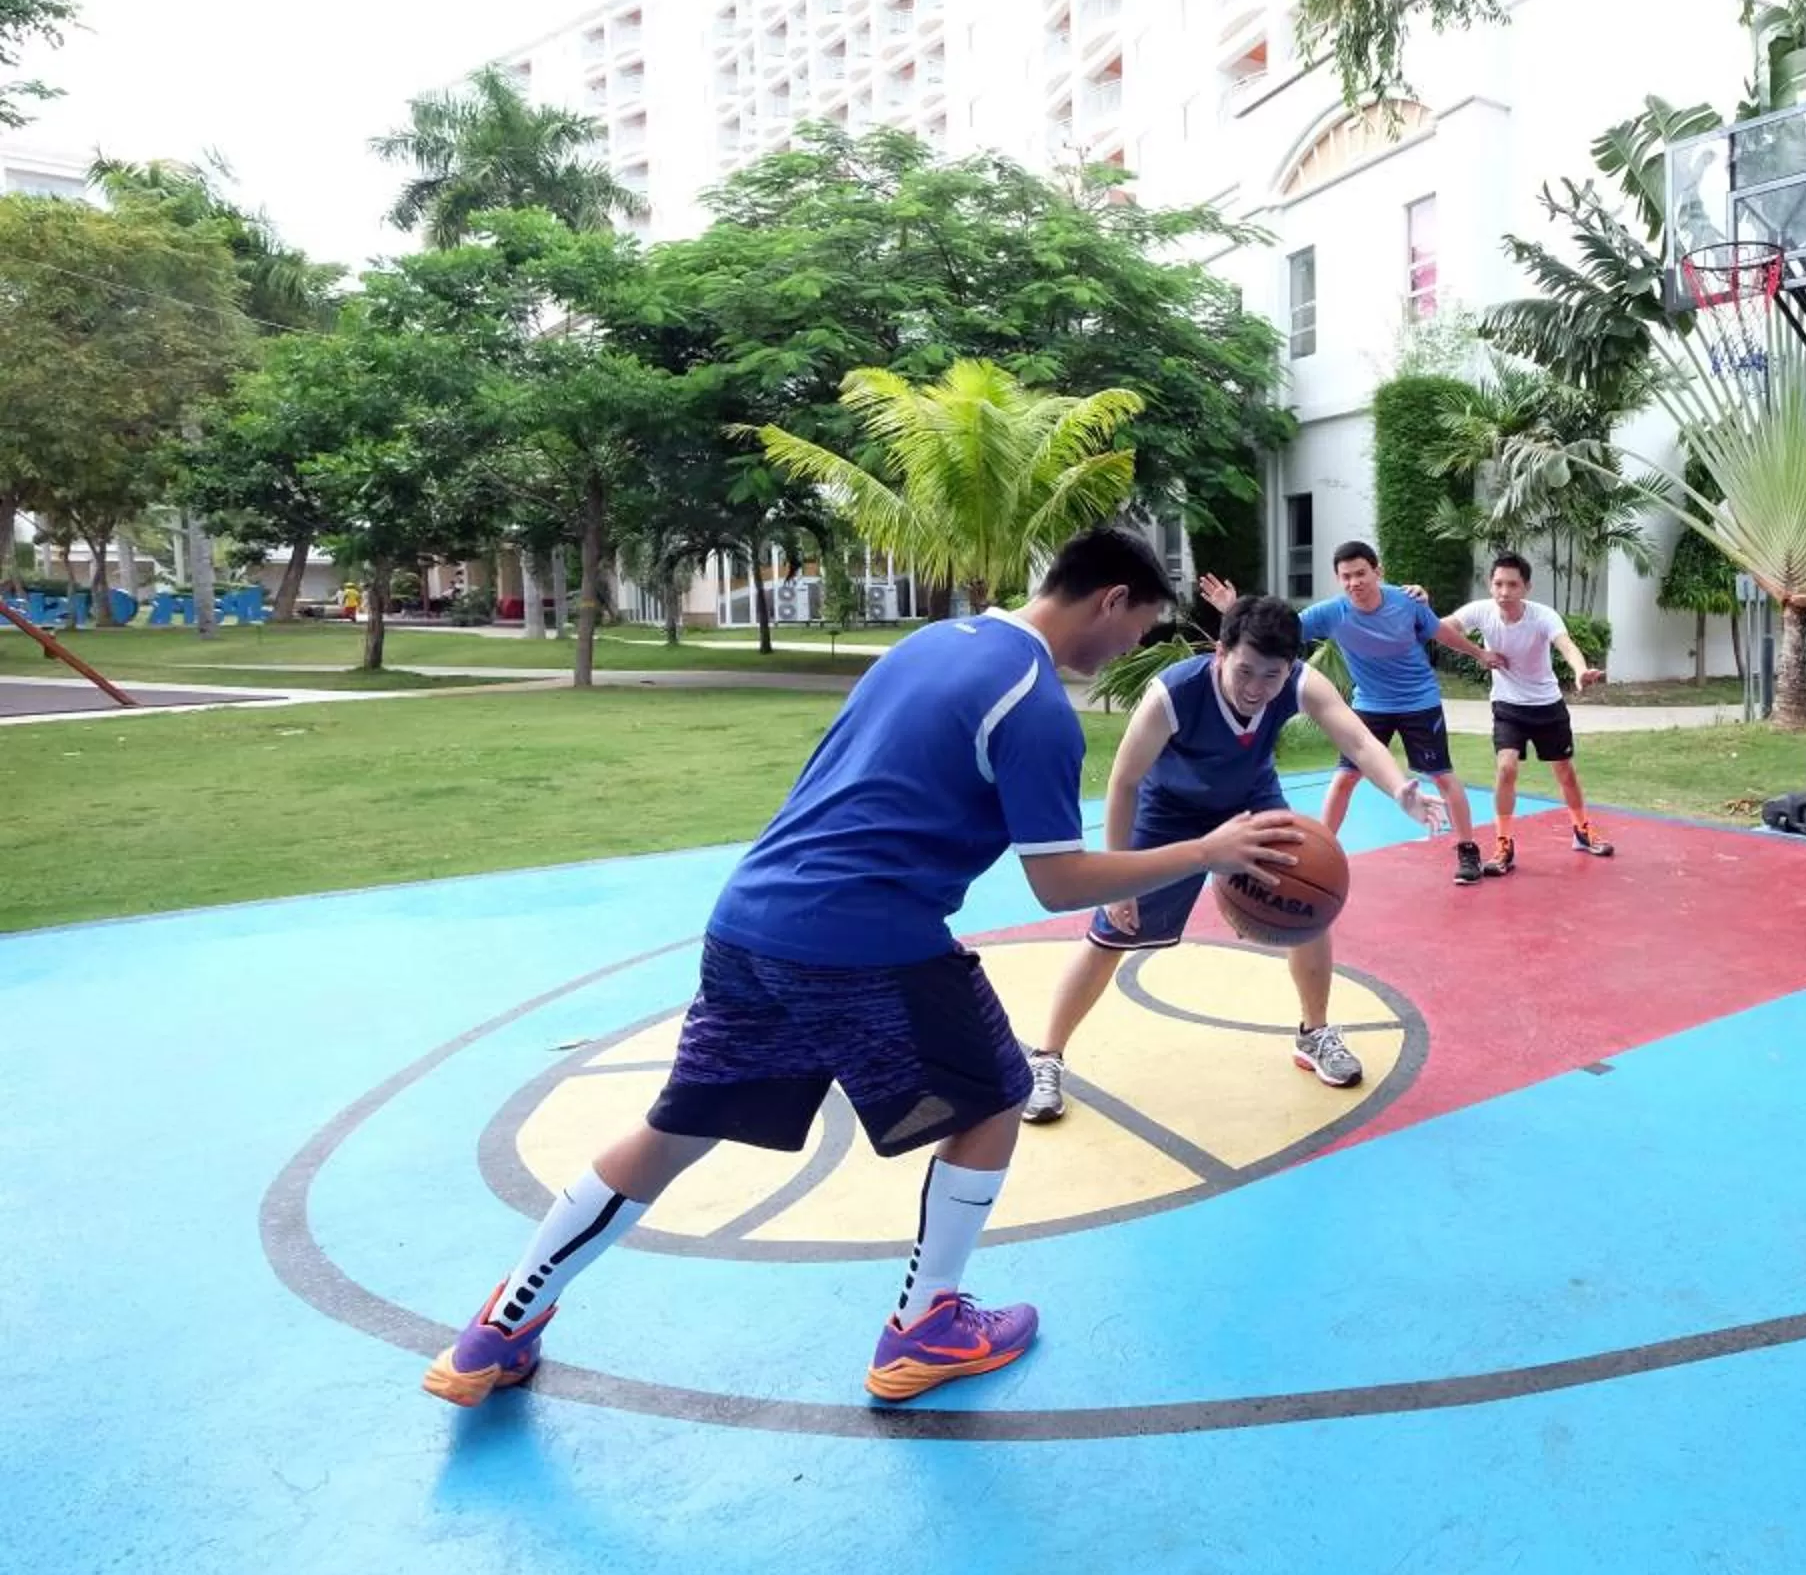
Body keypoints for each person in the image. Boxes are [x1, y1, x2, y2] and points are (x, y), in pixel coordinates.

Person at [421, 530, 1307, 1409]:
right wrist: (1208, 848)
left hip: (750, 920)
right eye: (1140, 627)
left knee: (679, 1127)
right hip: (863, 938)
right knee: (997, 1097)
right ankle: (926, 1328)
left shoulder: (932, 642)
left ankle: (496, 1330)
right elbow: (1057, 883)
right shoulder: (1035, 703)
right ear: (1110, 598)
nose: (1131, 649)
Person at [1022, 592, 1451, 1123]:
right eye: (1244, 671)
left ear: (1289, 668)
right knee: (1112, 932)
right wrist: (1121, 880)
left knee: (1309, 901)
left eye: (1270, 677)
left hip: (1252, 801)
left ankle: (1313, 1033)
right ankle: (1047, 1057)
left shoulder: (1296, 683)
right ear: (1220, 651)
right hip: (1170, 812)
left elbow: (1359, 742)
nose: (1255, 688)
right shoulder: (1173, 694)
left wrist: (1401, 788)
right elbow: (1124, 781)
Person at [1205, 543, 1500, 884]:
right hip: (1370, 704)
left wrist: (1480, 653)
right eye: (1346, 577)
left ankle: (1467, 849)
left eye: (1361, 573)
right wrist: (1233, 610)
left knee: (1443, 777)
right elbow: (1275, 631)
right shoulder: (1332, 612)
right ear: (1338, 579)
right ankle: (1319, 851)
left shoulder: (1406, 603)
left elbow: (1441, 632)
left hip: (1419, 702)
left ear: (1378, 572)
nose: (1354, 582)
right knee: (1345, 778)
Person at [1446, 550, 1613, 872]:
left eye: (1512, 585)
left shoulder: (1542, 616)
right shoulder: (1481, 611)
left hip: (1547, 704)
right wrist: (1479, 652)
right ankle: (1503, 844)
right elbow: (1441, 628)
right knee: (1506, 767)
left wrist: (1580, 671)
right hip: (1508, 705)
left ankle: (1582, 829)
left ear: (1526, 588)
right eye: (1498, 584)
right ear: (1489, 584)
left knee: (1564, 770)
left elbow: (1566, 645)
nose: (1504, 592)